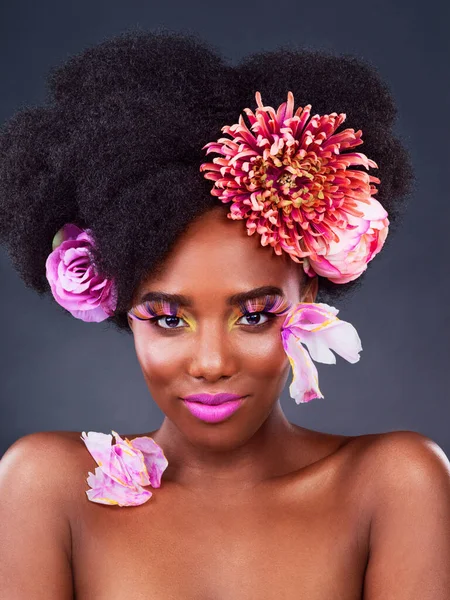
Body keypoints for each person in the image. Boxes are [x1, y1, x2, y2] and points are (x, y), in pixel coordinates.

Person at [0, 28, 449, 599]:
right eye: (168, 319)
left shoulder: (393, 484)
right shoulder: (46, 487)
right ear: (118, 307)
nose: (211, 363)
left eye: (255, 315)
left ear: (307, 296)